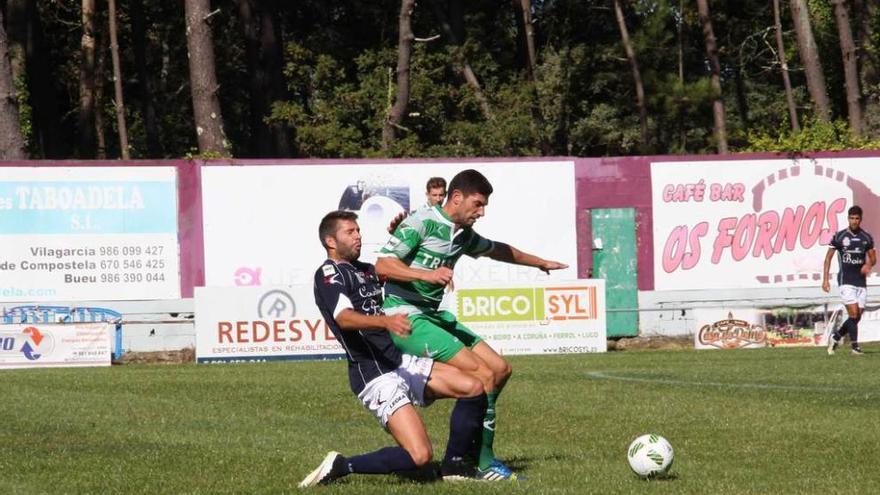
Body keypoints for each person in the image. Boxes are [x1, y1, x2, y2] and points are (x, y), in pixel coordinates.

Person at [376, 169, 568, 480]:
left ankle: (472, 455)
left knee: (500, 368)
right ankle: (477, 462)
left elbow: (499, 250)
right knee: (481, 374)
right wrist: (426, 274)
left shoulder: (462, 235)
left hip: (432, 315)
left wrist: (540, 262)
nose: (481, 212)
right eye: (477, 205)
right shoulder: (421, 223)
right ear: (456, 198)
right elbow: (383, 264)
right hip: (405, 315)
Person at [300, 210, 489, 487]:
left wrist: (401, 235)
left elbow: (397, 268)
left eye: (358, 230)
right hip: (374, 375)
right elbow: (344, 318)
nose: (358, 236)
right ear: (331, 241)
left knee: (473, 386)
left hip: (400, 361)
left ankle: (456, 466)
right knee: (420, 455)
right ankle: (342, 465)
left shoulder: (365, 270)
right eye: (350, 232)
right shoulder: (329, 274)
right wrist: (384, 320)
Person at [823, 205, 876, 355]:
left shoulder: (866, 238)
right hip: (845, 280)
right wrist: (825, 280)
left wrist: (868, 264)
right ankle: (855, 347)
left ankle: (836, 336)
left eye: (857, 218)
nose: (854, 221)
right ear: (848, 218)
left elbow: (873, 258)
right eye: (852, 218)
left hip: (860, 281)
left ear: (861, 219)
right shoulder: (840, 236)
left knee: (857, 316)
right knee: (853, 314)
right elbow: (828, 258)